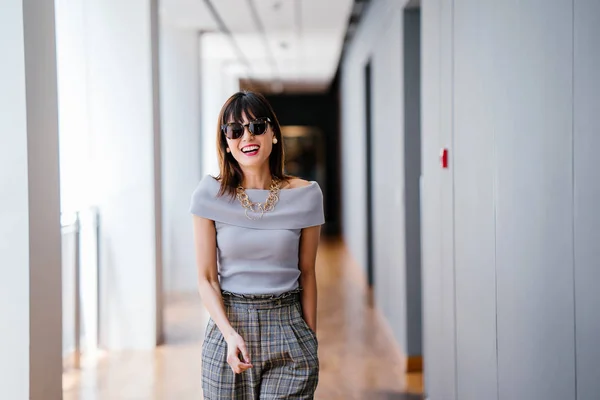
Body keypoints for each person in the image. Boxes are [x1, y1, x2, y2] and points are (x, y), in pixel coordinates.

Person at [189, 90, 324, 399]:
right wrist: (229, 333)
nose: (246, 136)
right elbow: (207, 278)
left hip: (287, 326)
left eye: (257, 126)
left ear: (273, 133)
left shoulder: (306, 196)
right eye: (235, 130)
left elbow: (308, 273)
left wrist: (310, 339)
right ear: (226, 141)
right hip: (229, 328)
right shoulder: (208, 195)